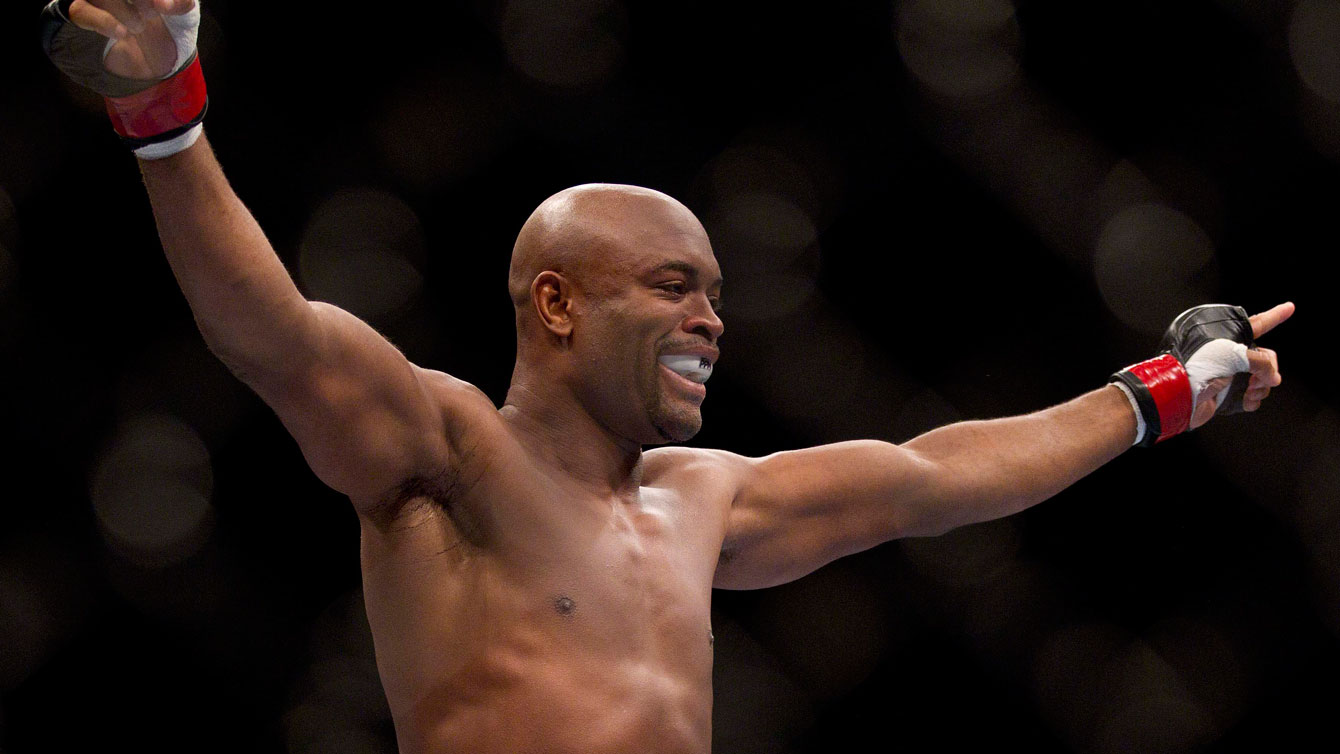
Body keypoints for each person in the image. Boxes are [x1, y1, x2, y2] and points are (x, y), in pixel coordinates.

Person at [42, 2, 1293, 752]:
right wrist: (168, 113)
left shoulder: (703, 502)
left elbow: (934, 473)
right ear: (558, 303)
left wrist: (1161, 393)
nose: (712, 318)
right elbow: (269, 330)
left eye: (715, 291)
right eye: (673, 285)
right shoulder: (451, 451)